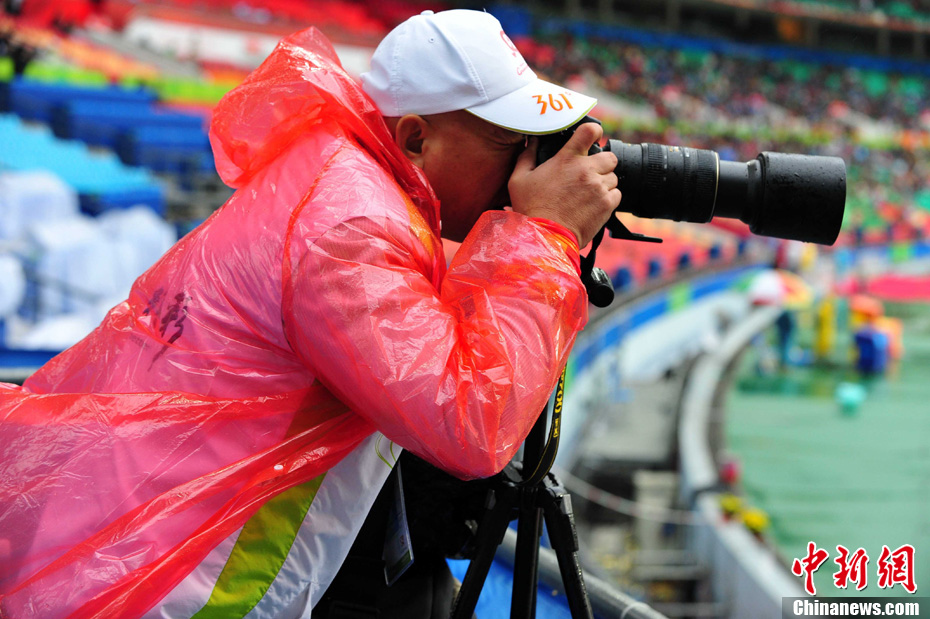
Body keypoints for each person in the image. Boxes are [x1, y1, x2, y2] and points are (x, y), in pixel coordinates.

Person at [0, 9, 620, 618]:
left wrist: (529, 237)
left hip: (142, 546)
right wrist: (545, 234)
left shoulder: (341, 180)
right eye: (511, 144)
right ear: (415, 139)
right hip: (172, 583)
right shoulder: (350, 228)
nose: (525, 166)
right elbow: (473, 421)